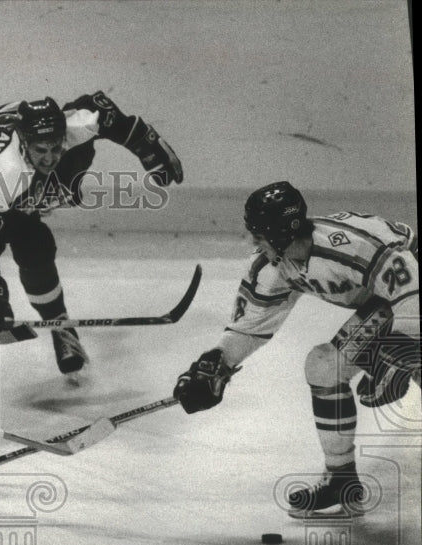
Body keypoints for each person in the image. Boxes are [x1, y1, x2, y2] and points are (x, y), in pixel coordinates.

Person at [172, 181, 420, 517]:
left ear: (281, 233)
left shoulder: (349, 246)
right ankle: (341, 480)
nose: (252, 243)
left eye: (259, 235)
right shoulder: (272, 265)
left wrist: (396, 357)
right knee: (324, 366)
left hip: (413, 293)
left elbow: (413, 299)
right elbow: (250, 327)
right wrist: (215, 365)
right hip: (392, 302)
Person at [0, 92, 183, 381]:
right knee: (28, 239)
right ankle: (60, 322)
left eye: (55, 147)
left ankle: (60, 324)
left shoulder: (76, 127)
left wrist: (145, 144)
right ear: (24, 144)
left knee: (37, 244)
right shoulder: (3, 173)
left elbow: (104, 111)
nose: (50, 158)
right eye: (41, 150)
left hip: (20, 168)